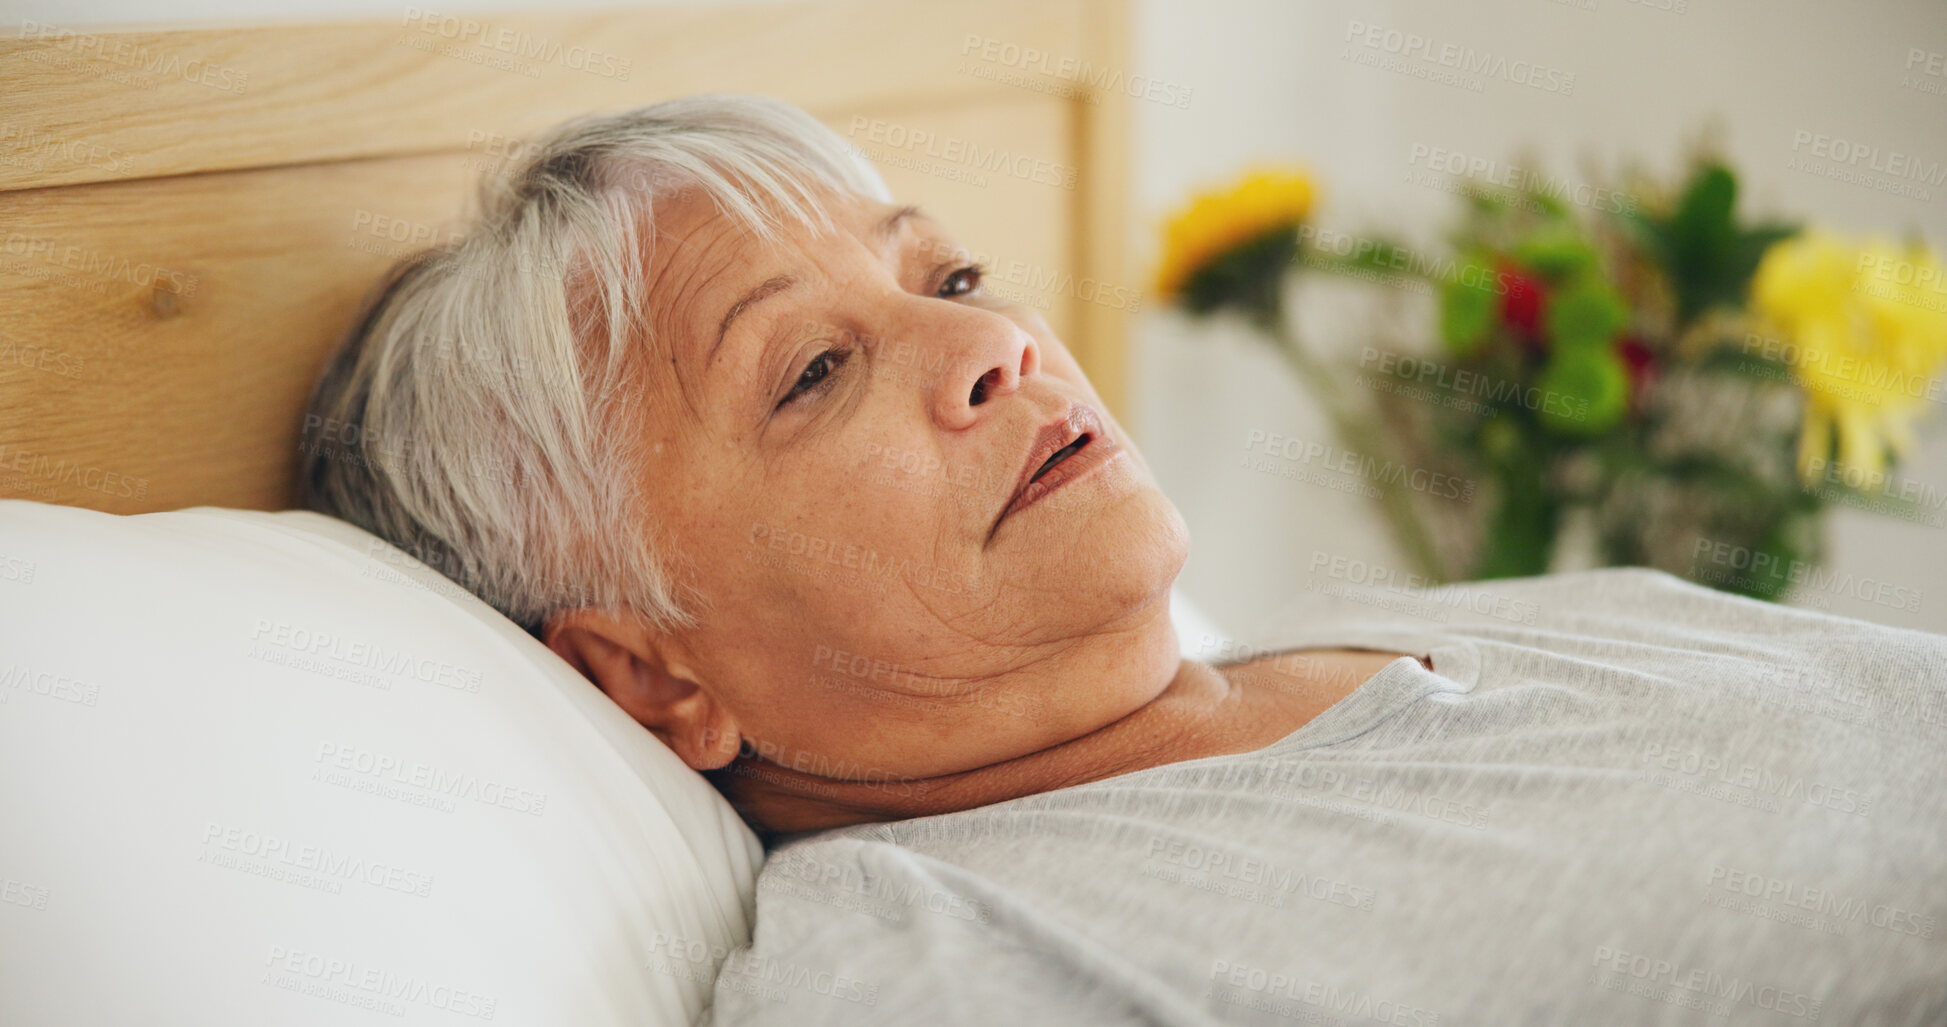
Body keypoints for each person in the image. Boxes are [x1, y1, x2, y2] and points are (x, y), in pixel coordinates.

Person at [301, 94, 1947, 1024]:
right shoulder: (940, 967)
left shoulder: (1483, 617)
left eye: (947, 281)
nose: (995, 348)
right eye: (809, 371)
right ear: (653, 671)